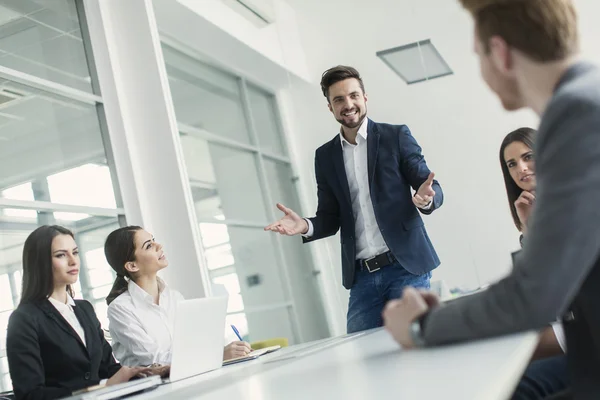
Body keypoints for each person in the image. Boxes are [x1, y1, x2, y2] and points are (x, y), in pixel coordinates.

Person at [383, 0, 600, 397]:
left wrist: (420, 327)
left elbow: (531, 297)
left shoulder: (577, 113)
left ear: (499, 54)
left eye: (477, 55)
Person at [265, 65, 444, 333]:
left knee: (416, 347)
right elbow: (330, 216)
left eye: (353, 96)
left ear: (365, 97)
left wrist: (426, 199)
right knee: (362, 360)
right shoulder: (325, 157)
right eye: (338, 99)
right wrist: (304, 225)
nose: (348, 104)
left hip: (405, 268)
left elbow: (430, 186)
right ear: (330, 107)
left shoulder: (395, 136)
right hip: (362, 277)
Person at [6, 225, 152, 400]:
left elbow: (108, 368)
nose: (73, 261)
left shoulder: (84, 309)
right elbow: (30, 394)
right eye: (61, 255)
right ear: (40, 262)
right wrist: (103, 387)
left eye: (74, 252)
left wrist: (147, 372)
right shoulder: (24, 319)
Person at [105, 226, 251, 367]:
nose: (159, 245)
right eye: (149, 245)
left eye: (153, 239)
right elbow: (154, 359)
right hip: (155, 388)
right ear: (132, 266)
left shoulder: (174, 297)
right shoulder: (120, 309)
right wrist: (218, 354)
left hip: (192, 376)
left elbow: (194, 343)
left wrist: (225, 350)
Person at [500, 128, 569, 399]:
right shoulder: (534, 211)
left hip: (585, 327)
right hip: (568, 321)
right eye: (512, 164)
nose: (522, 168)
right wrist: (529, 229)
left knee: (513, 374)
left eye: (528, 156)